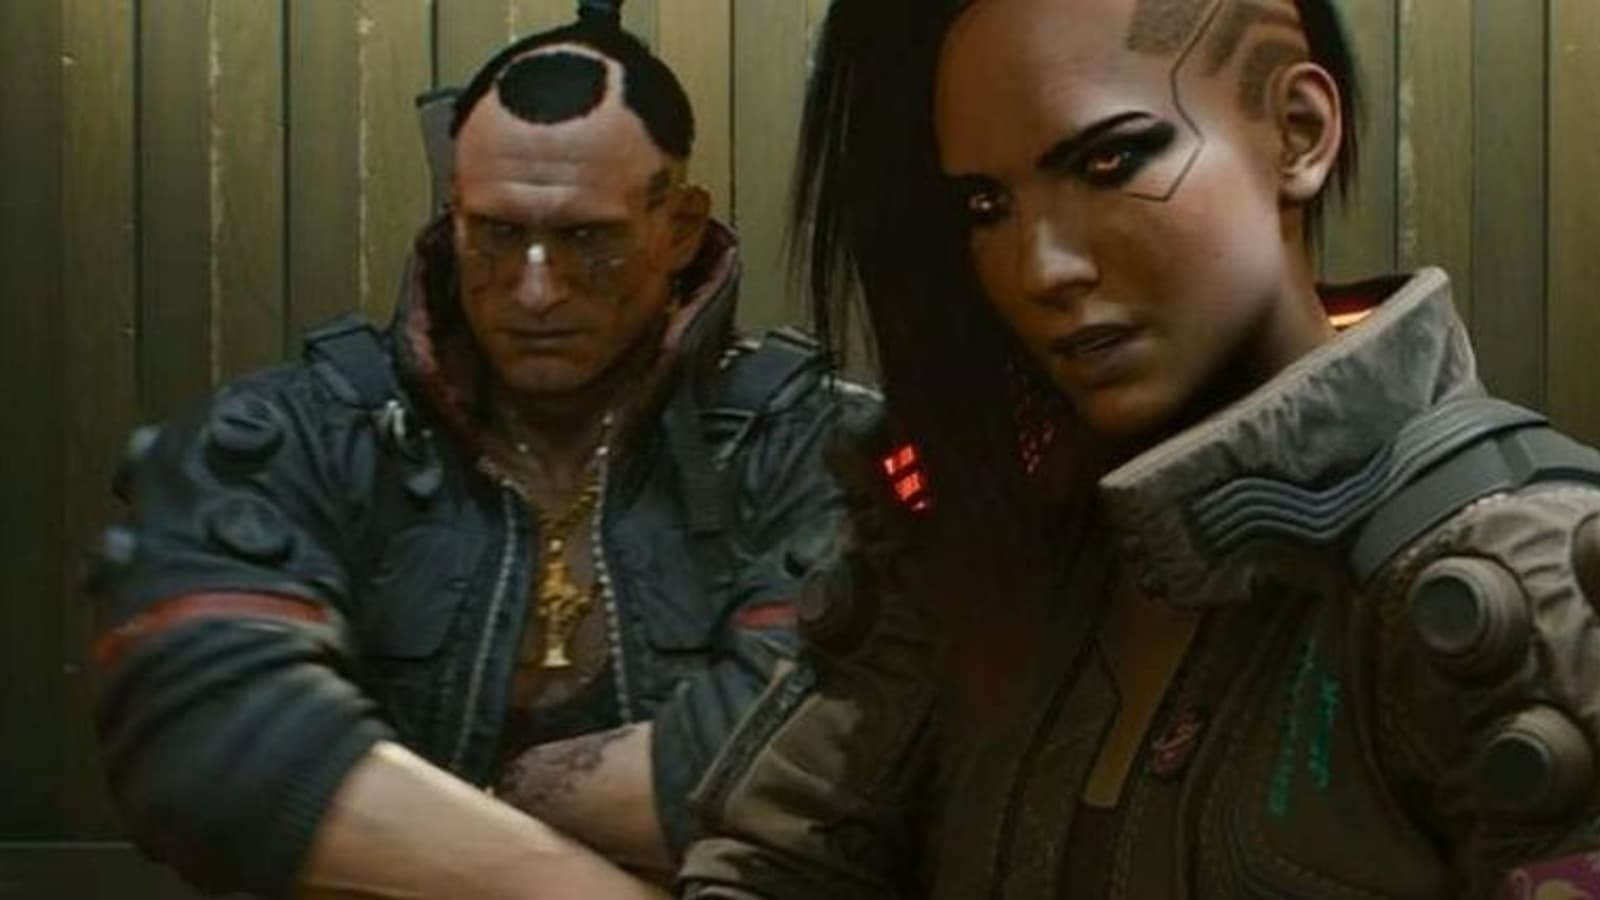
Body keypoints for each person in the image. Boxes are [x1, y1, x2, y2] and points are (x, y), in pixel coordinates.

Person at [678, 0, 1600, 897]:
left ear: (1299, 133)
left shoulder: (1503, 580)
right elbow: (781, 862)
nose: (1042, 268)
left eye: (1109, 161)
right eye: (988, 204)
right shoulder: (981, 540)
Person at [86, 2, 874, 897]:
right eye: (497, 234)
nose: (535, 290)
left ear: (679, 230)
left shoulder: (811, 444)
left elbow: (833, 755)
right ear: (455, 219)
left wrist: (469, 804)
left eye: (587, 239)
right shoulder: (302, 433)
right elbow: (208, 736)